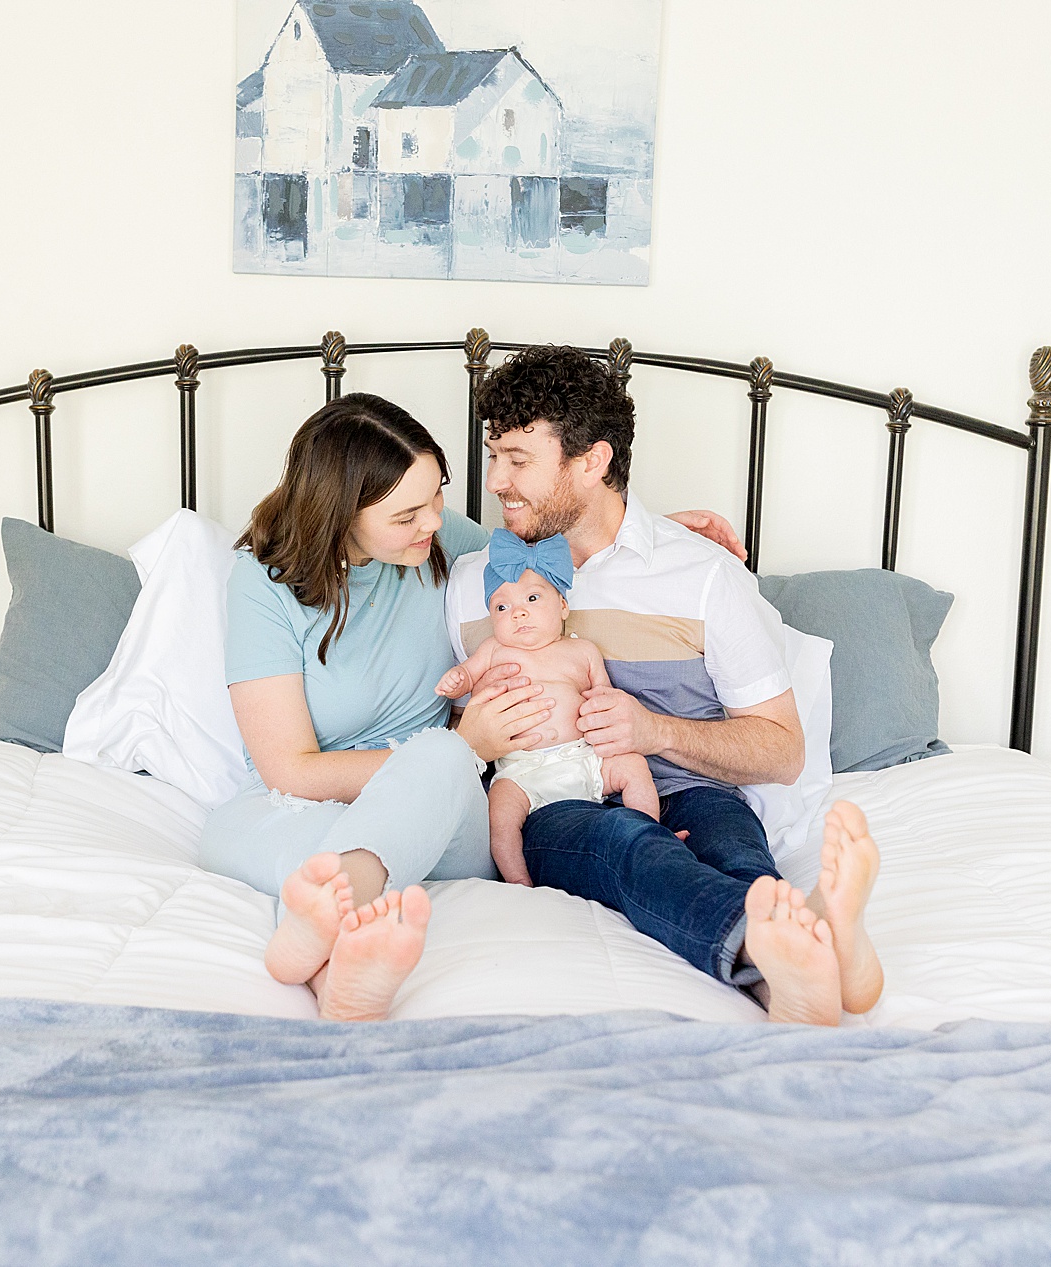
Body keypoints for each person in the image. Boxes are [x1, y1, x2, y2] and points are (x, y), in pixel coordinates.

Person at [198, 391, 747, 1022]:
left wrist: (664, 532)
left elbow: (543, 553)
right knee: (276, 839)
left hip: (445, 804)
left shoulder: (434, 541)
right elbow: (288, 772)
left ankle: (317, 930)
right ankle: (339, 976)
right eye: (406, 515)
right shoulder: (262, 582)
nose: (432, 522)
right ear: (338, 514)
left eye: (436, 496)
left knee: (431, 759)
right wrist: (472, 747)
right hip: (295, 804)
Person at [444, 345, 886, 1025]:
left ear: (591, 462)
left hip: (692, 787)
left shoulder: (703, 575)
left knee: (735, 850)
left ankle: (794, 972)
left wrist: (655, 732)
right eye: (492, 453)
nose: (497, 479)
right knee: (626, 844)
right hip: (556, 799)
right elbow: (383, 516)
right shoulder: (473, 582)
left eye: (518, 460)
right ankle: (814, 938)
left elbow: (781, 751)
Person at [435, 531, 660, 886]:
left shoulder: (583, 651)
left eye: (533, 597)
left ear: (563, 606)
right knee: (499, 811)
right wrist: (456, 680)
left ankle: (652, 837)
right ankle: (518, 881)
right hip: (523, 771)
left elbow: (605, 694)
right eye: (502, 607)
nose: (518, 612)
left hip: (584, 758)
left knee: (634, 767)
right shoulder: (495, 649)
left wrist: (602, 708)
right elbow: (467, 674)